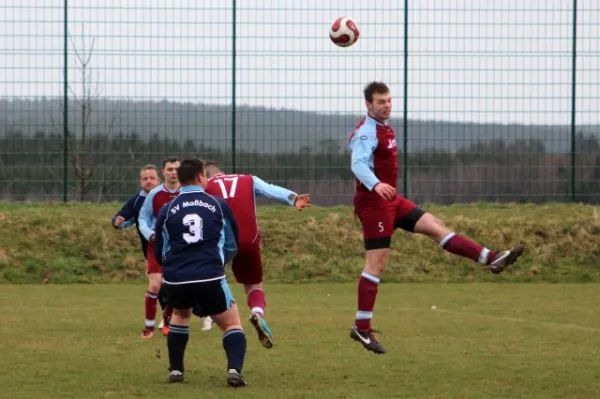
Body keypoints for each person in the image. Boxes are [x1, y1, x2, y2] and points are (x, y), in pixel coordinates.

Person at [348, 81, 525, 354]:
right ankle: (362, 328)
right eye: (381, 102)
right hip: (374, 203)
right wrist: (375, 184)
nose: (387, 105)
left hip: (391, 200)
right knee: (376, 264)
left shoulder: (385, 126)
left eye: (389, 100)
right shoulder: (366, 132)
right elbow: (358, 164)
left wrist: (384, 189)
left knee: (435, 226)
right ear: (369, 105)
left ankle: (491, 257)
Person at [154, 158, 247, 387]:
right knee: (232, 324)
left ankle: (176, 370)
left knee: (181, 315)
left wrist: (176, 267)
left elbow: (160, 251)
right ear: (199, 177)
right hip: (210, 276)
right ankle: (234, 370)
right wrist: (220, 261)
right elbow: (233, 244)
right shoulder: (217, 205)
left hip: (175, 278)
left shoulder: (167, 209)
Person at [203, 161, 311, 349]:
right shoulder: (248, 180)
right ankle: (257, 312)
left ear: (204, 175)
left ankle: (215, 313)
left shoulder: (206, 185)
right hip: (248, 239)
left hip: (219, 242)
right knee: (253, 283)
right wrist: (294, 199)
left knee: (212, 278)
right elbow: (271, 190)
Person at [137, 157, 182, 339]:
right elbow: (143, 219)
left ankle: (168, 320)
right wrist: (150, 234)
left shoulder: (187, 194)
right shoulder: (154, 194)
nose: (173, 172)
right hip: (157, 245)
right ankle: (148, 327)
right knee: (155, 285)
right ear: (163, 172)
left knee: (174, 287)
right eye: (169, 169)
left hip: (179, 247)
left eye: (176, 169)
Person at [111, 164, 161, 259]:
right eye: (145, 179)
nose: (148, 181)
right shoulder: (135, 202)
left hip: (173, 252)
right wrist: (117, 222)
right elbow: (122, 219)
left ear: (158, 181)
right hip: (151, 254)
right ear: (140, 182)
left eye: (152, 178)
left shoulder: (170, 197)